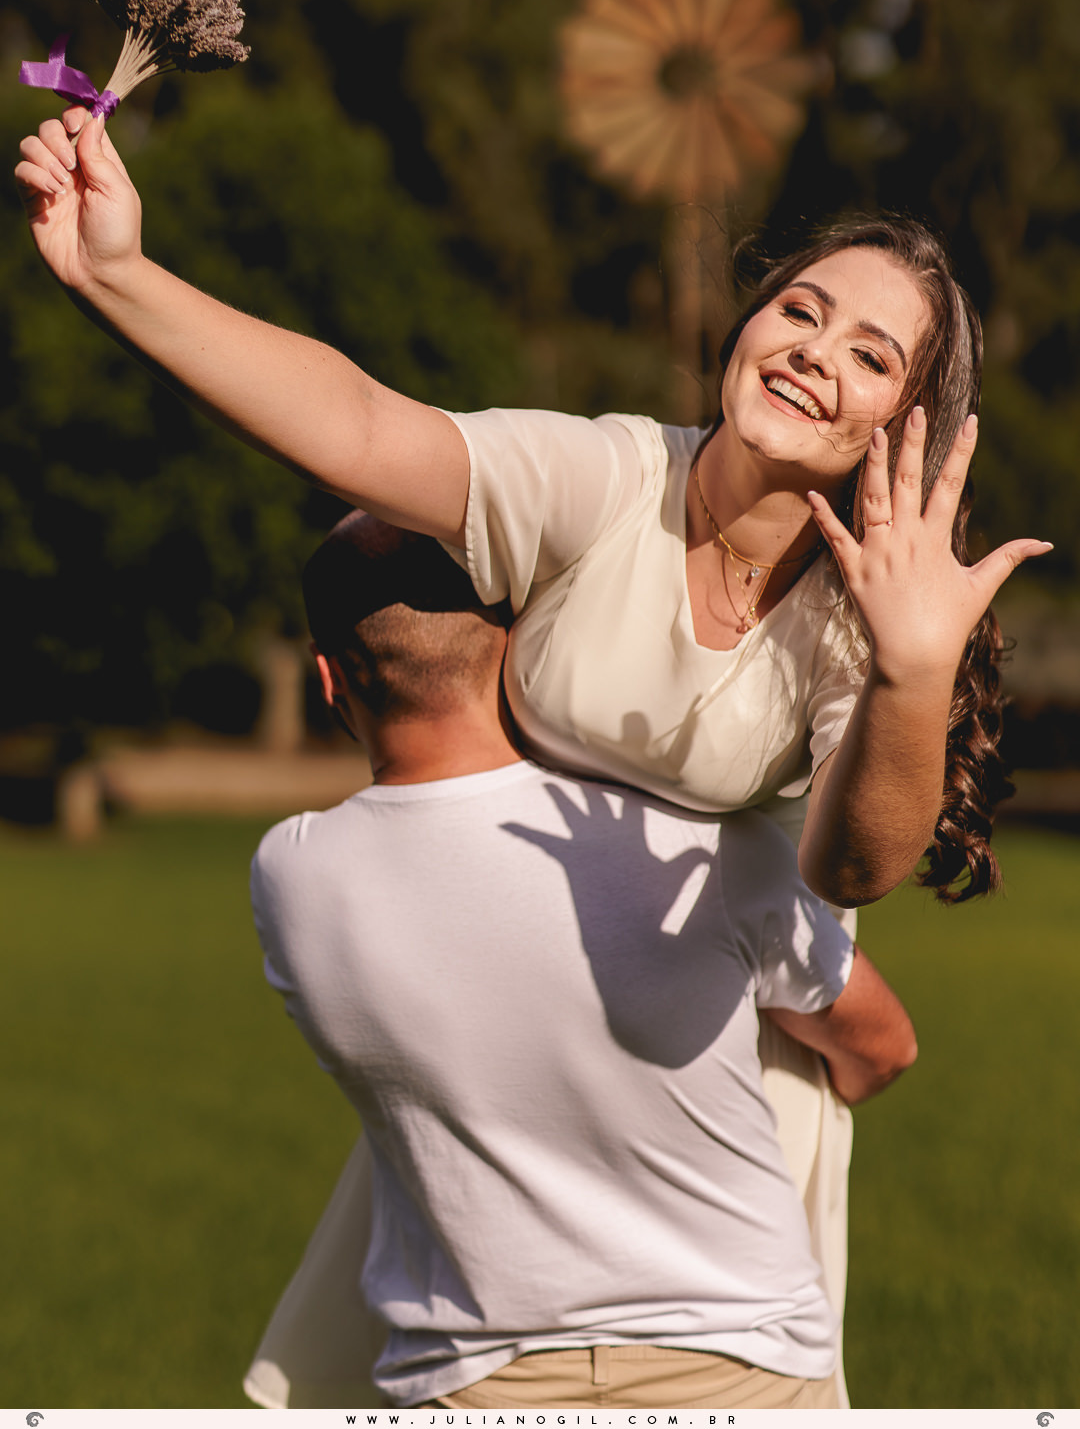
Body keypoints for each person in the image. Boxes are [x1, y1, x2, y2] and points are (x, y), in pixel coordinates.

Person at [16, 106, 1049, 1402]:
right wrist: (119, 274)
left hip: (719, 1050)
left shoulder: (857, 619)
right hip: (513, 1015)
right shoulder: (609, 477)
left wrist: (910, 667)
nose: (814, 352)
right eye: (800, 310)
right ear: (747, 321)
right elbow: (363, 427)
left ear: (907, 422)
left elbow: (852, 866)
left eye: (870, 353)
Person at [246, 511, 917, 1410]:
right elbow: (882, 1048)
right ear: (517, 639)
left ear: (330, 678)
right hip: (743, 1362)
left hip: (471, 1377)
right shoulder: (696, 849)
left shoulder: (292, 873)